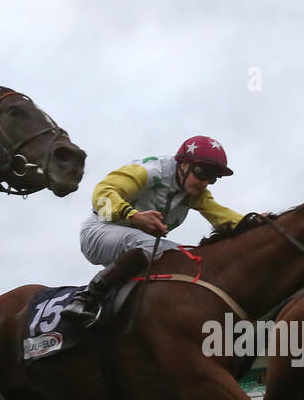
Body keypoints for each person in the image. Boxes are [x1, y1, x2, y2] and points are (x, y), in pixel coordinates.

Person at [62, 136, 245, 324]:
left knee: (190, 257)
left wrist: (259, 222)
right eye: (202, 172)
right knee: (163, 250)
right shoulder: (152, 171)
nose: (205, 182)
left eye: (212, 178)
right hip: (98, 232)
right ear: (183, 164)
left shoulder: (196, 194)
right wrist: (132, 215)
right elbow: (102, 193)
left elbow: (223, 216)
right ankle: (86, 298)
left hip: (134, 249)